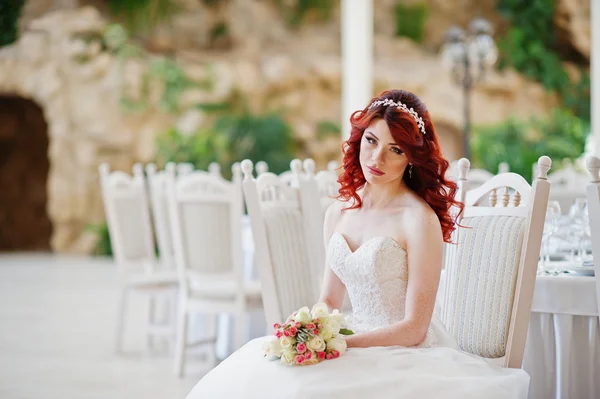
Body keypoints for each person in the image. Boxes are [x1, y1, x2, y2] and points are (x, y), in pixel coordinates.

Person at [185, 89, 530, 399]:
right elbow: (330, 299)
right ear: (358, 139)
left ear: (412, 157)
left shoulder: (418, 219)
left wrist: (343, 344)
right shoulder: (338, 212)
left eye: (395, 149)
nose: (377, 159)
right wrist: (307, 332)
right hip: (349, 337)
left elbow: (415, 328)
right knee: (264, 377)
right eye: (371, 141)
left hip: (402, 352)